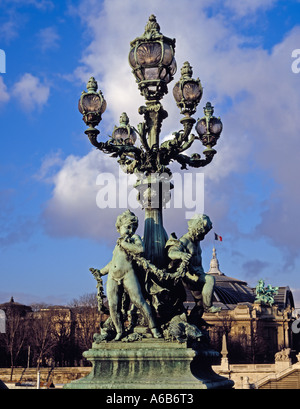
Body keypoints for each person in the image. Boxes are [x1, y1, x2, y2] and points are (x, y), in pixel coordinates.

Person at [93, 210, 161, 341]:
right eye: (127, 227)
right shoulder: (118, 243)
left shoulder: (133, 239)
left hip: (128, 274)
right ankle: (120, 331)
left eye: (133, 228)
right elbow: (113, 262)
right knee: (113, 305)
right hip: (112, 276)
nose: (130, 230)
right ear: (119, 227)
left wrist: (124, 244)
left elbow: (140, 250)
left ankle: (154, 328)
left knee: (139, 301)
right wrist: (100, 272)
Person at [167, 214, 221, 318]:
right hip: (190, 276)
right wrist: (181, 254)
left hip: (198, 274)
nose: (203, 236)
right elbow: (171, 253)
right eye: (203, 233)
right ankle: (208, 306)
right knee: (210, 280)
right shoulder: (184, 241)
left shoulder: (196, 241)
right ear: (197, 229)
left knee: (200, 303)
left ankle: (194, 323)